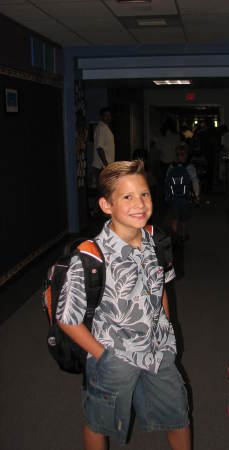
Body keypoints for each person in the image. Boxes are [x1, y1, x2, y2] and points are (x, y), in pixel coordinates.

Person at [56, 160, 191, 450]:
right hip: (113, 357)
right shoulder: (90, 257)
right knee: (99, 421)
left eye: (144, 194)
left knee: (178, 415)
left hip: (158, 351)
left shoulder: (157, 240)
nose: (139, 204)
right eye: (127, 197)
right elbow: (67, 318)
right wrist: (103, 356)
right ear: (106, 205)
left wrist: (167, 331)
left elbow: (162, 288)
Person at [165, 143, 200, 244]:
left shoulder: (171, 167)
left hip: (173, 199)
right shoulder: (190, 167)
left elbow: (166, 182)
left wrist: (166, 195)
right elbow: (195, 181)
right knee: (184, 219)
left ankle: (174, 237)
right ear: (186, 155)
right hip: (185, 198)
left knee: (175, 218)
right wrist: (197, 195)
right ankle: (183, 236)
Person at [91, 107, 115, 188]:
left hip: (105, 166)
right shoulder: (101, 128)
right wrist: (106, 165)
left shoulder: (105, 128)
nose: (108, 117)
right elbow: (99, 148)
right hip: (102, 166)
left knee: (105, 191)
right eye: (105, 115)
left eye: (109, 115)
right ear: (101, 117)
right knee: (102, 191)